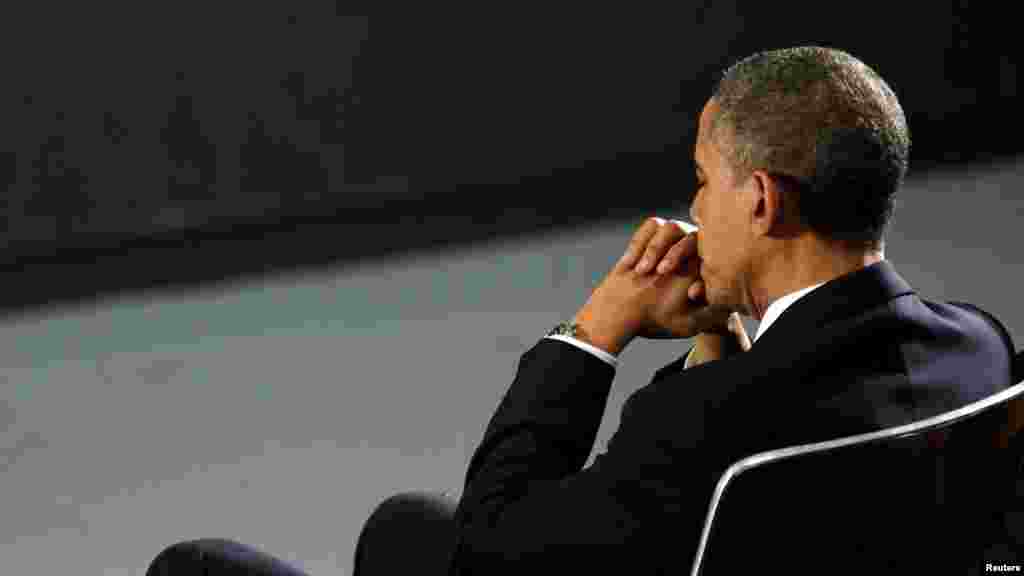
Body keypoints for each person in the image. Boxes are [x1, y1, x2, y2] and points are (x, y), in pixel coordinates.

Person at [145, 45, 1018, 575]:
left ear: (760, 202)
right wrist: (720, 337)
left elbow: (493, 544)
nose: (692, 204)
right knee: (403, 527)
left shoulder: (702, 430)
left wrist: (594, 333)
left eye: (704, 180)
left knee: (196, 568)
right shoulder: (979, 349)